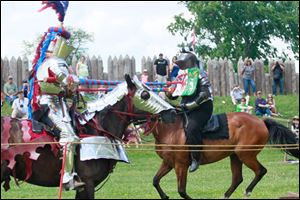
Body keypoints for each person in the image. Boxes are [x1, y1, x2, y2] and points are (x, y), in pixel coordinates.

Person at [30, 28, 85, 190]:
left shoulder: (60, 62)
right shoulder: (51, 63)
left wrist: (72, 84)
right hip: (48, 104)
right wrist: (71, 81)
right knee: (69, 136)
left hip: (60, 103)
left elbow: (69, 84)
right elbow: (65, 79)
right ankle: (67, 178)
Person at [171, 50, 213, 172]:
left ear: (190, 62)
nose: (182, 66)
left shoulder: (200, 74)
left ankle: (196, 158)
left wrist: (191, 105)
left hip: (202, 108)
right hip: (185, 107)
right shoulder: (182, 76)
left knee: (192, 128)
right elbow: (176, 93)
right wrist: (170, 93)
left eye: (183, 63)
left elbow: (205, 94)